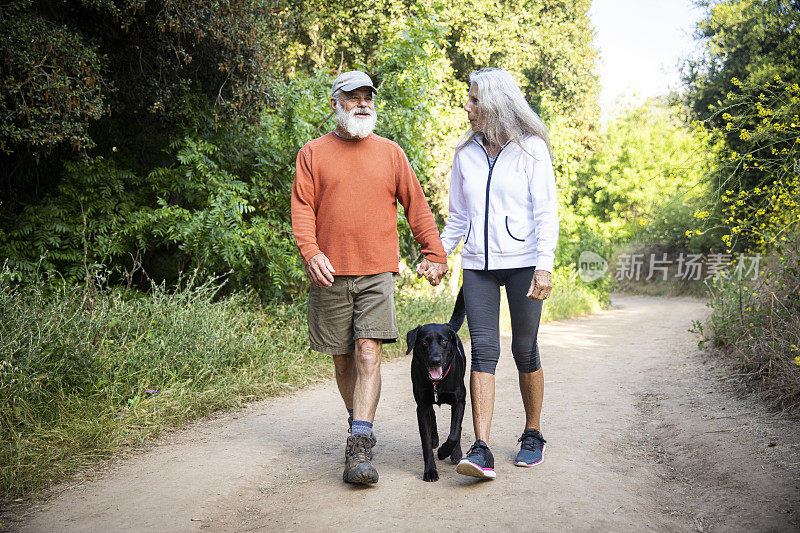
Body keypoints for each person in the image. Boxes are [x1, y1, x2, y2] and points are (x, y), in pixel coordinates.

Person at [291, 70, 449, 485]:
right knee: (343, 357)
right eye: (353, 97)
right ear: (335, 104)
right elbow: (303, 210)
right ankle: (357, 419)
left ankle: (359, 441)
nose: (363, 103)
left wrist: (435, 252)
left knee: (367, 351)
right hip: (330, 273)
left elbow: (417, 206)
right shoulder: (312, 154)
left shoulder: (391, 153)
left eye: (368, 97)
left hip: (378, 270)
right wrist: (310, 253)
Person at [439, 68, 558, 479]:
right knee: (484, 350)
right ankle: (481, 447)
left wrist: (544, 264)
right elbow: (457, 218)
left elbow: (546, 213)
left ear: (495, 104)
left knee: (524, 349)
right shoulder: (465, 154)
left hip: (525, 262)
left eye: (474, 99)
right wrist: (438, 255)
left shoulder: (531, 149)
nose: (467, 106)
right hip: (477, 266)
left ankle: (532, 433)